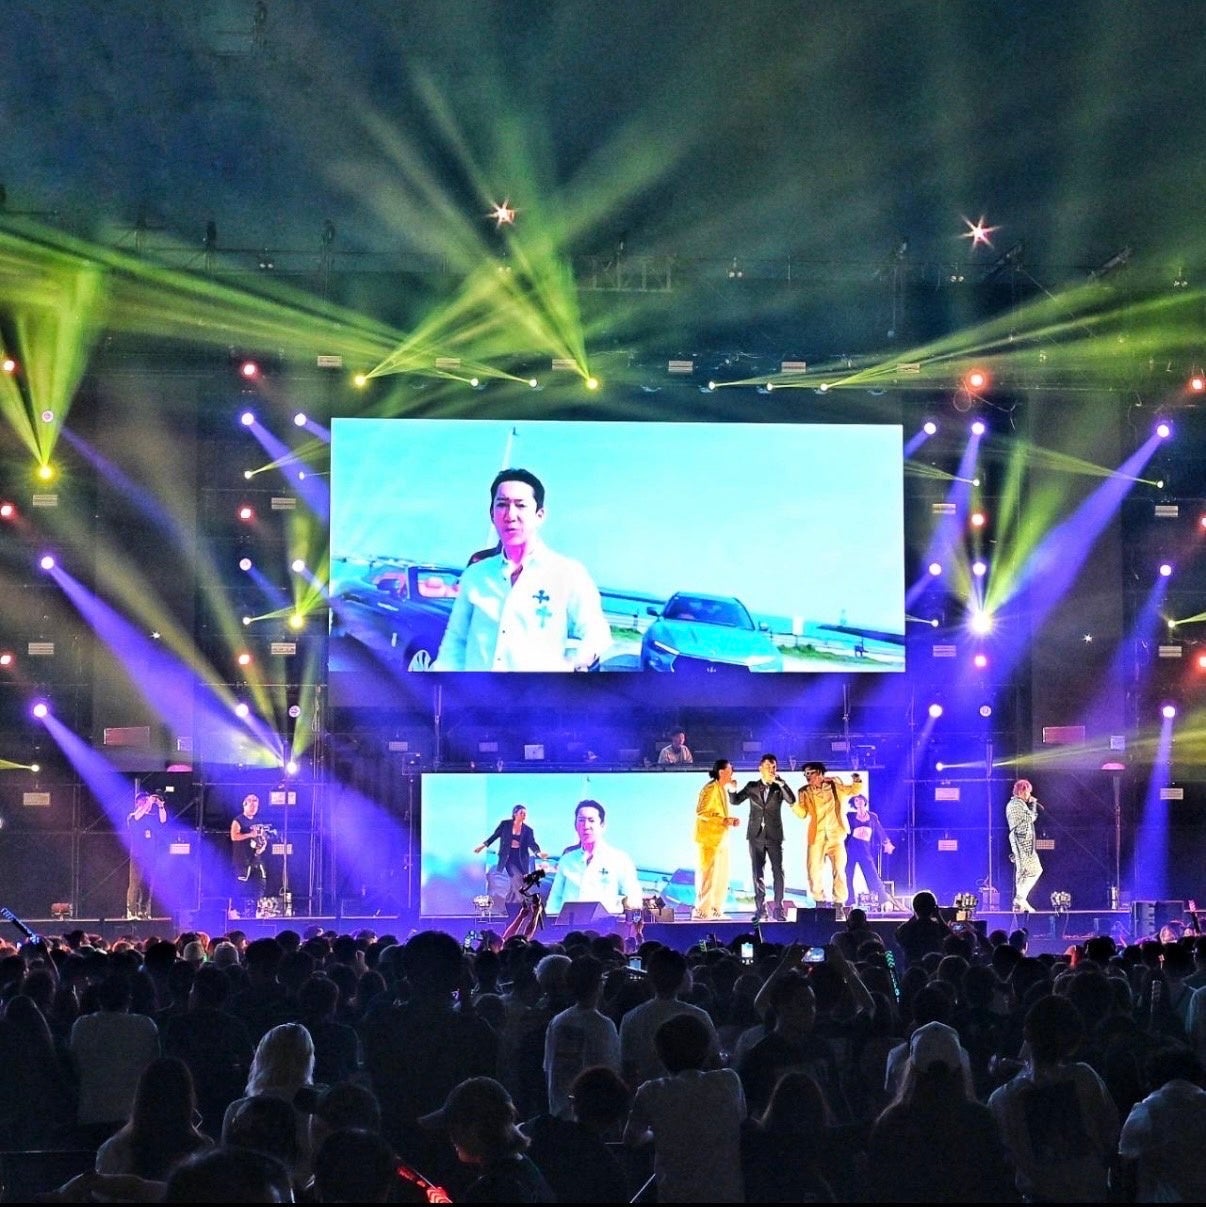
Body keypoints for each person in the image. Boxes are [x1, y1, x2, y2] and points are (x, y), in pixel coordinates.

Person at [432, 467, 612, 672]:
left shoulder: (568, 573)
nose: (510, 515)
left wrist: (573, 665)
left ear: (539, 515)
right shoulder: (476, 575)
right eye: (502, 504)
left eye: (520, 505)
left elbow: (597, 633)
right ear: (492, 514)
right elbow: (455, 640)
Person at [729, 754, 797, 922]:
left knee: (778, 871)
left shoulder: (778, 788)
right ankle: (760, 909)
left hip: (774, 835)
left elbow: (791, 800)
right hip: (755, 835)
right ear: (760, 768)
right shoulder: (752, 786)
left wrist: (782, 783)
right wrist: (732, 789)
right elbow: (735, 801)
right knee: (757, 872)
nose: (771, 770)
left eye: (774, 767)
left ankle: (778, 908)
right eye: (768, 767)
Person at [545, 800, 641, 917]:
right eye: (581, 820)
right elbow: (555, 899)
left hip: (605, 925)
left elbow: (633, 896)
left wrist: (626, 911)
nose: (585, 826)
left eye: (591, 820)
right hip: (570, 925)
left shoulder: (620, 860)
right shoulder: (566, 860)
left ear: (602, 825)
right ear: (575, 825)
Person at [791, 761, 862, 907]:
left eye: (810, 773)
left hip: (836, 836)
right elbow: (802, 813)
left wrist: (856, 779)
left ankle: (839, 903)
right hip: (816, 837)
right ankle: (820, 902)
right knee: (813, 871)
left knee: (839, 870)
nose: (807, 777)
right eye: (805, 774)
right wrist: (793, 805)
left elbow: (853, 791)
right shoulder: (804, 791)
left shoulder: (834, 786)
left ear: (819, 773)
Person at [693, 758, 741, 919]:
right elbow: (701, 812)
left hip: (720, 838)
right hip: (709, 839)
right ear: (721, 772)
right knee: (708, 876)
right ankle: (702, 911)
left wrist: (727, 821)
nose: (732, 773)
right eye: (730, 771)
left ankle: (715, 909)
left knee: (721, 877)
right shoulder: (710, 788)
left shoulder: (721, 788)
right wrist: (724, 820)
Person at [475, 805, 549, 908]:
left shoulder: (528, 830)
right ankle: (525, 906)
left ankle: (508, 906)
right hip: (508, 858)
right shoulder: (505, 825)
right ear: (515, 814)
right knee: (516, 878)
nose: (524, 815)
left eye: (525, 813)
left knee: (520, 882)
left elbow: (532, 843)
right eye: (521, 813)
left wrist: (538, 853)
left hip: (521, 859)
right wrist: (482, 846)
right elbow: (494, 836)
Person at [844, 793, 896, 908]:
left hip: (865, 849)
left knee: (872, 874)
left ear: (864, 801)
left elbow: (879, 830)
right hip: (851, 849)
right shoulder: (850, 816)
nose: (859, 802)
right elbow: (843, 830)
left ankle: (882, 899)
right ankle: (850, 899)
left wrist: (886, 842)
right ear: (854, 803)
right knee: (848, 874)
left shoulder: (872, 817)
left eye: (860, 800)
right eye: (856, 800)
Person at [126, 790, 168, 920]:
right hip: (137, 855)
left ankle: (144, 911)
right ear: (137, 803)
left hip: (150, 855)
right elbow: (138, 817)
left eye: (146, 800)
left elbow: (163, 820)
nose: (145, 802)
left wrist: (160, 806)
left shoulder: (151, 817)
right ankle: (131, 911)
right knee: (135, 883)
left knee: (148, 885)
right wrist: (149, 802)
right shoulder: (133, 816)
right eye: (142, 800)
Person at [1005, 777, 1042, 913]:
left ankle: (1020, 901)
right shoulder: (1015, 804)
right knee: (1033, 870)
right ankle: (1020, 898)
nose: (1029, 795)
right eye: (1028, 792)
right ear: (1022, 790)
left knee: (1024, 872)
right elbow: (1030, 818)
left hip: (1022, 841)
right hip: (1021, 840)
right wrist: (1033, 804)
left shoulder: (1018, 804)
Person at [230, 793, 270, 915]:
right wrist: (249, 835)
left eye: (256, 805)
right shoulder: (238, 820)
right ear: (245, 804)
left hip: (256, 857)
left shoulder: (258, 821)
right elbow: (234, 836)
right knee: (241, 884)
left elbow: (263, 837)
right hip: (242, 858)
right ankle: (236, 910)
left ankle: (257, 909)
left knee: (261, 881)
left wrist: (262, 846)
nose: (253, 808)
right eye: (251, 805)